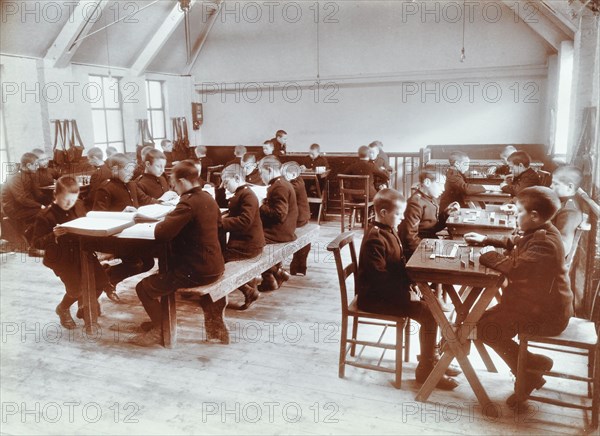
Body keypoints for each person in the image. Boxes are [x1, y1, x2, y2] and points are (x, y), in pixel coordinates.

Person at [465, 186, 573, 409]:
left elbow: (514, 268)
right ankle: (531, 366)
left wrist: (486, 255)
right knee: (478, 322)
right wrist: (486, 239)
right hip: (534, 306)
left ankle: (529, 373)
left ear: (534, 215)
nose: (514, 216)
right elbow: (517, 242)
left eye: (518, 212)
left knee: (483, 327)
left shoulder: (544, 242)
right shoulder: (541, 231)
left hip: (547, 316)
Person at [357, 188, 459, 390]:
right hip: (375, 298)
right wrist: (408, 288)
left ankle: (430, 358)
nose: (403, 218)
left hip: (387, 293)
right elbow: (380, 280)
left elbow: (397, 264)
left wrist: (411, 284)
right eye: (399, 214)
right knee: (430, 313)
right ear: (384, 213)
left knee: (431, 308)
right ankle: (426, 370)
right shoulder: (375, 238)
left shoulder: (388, 229)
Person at [132, 161, 225, 346]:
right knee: (160, 278)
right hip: (215, 265)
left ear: (182, 181)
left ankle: (160, 329)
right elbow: (220, 227)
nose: (173, 187)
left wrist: (165, 219)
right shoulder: (207, 197)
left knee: (144, 287)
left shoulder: (188, 203)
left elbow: (161, 233)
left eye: (174, 183)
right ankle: (159, 321)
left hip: (196, 271)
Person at [31, 176, 114, 328]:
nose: (70, 204)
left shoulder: (79, 205)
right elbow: (36, 243)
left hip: (83, 253)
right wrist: (53, 235)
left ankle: (84, 306)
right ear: (55, 195)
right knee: (76, 290)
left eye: (73, 200)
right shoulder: (45, 215)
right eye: (66, 200)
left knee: (101, 281)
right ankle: (62, 309)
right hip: (61, 259)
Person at [93, 154, 174, 296]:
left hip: (134, 234)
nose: (131, 174)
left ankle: (107, 279)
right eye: (128, 170)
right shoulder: (105, 188)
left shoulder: (131, 184)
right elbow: (97, 217)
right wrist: (121, 214)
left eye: (132, 171)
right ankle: (104, 281)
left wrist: (161, 203)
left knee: (148, 262)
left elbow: (145, 200)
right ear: (115, 169)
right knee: (136, 264)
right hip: (115, 238)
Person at [219, 164, 265, 310]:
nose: (224, 186)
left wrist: (220, 223)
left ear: (237, 178)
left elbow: (244, 221)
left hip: (248, 245)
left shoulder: (247, 195)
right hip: (246, 243)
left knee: (217, 261)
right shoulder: (242, 193)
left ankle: (248, 291)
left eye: (226, 182)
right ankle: (249, 285)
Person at [257, 156, 298, 291]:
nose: (260, 176)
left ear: (269, 170)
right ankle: (275, 272)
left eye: (260, 172)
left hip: (281, 232)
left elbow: (279, 215)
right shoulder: (282, 183)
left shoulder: (278, 186)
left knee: (251, 240)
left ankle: (272, 275)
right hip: (286, 228)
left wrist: (260, 205)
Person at [399, 170, 459, 259]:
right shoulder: (415, 203)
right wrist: (428, 252)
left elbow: (433, 228)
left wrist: (446, 213)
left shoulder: (430, 199)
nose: (443, 189)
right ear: (427, 182)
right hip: (418, 250)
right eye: (440, 184)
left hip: (429, 242)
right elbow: (410, 238)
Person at [1, 152, 45, 242]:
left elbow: (37, 194)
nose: (38, 167)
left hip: (22, 206)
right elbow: (21, 199)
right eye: (36, 165)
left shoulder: (29, 174)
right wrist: (40, 206)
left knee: (48, 211)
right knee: (43, 213)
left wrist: (53, 201)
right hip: (14, 209)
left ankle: (36, 235)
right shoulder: (15, 177)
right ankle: (29, 234)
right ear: (28, 165)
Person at [282, 161, 311, 276]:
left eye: (284, 175)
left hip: (299, 217)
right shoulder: (298, 181)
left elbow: (285, 191)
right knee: (303, 243)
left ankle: (297, 266)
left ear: (293, 175)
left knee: (302, 242)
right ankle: (299, 267)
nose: (283, 178)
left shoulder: (295, 185)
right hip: (302, 215)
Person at [550, 165, 584, 255]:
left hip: (550, 259)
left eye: (555, 183)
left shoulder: (569, 211)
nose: (551, 186)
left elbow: (563, 247)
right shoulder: (563, 203)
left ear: (570, 187)